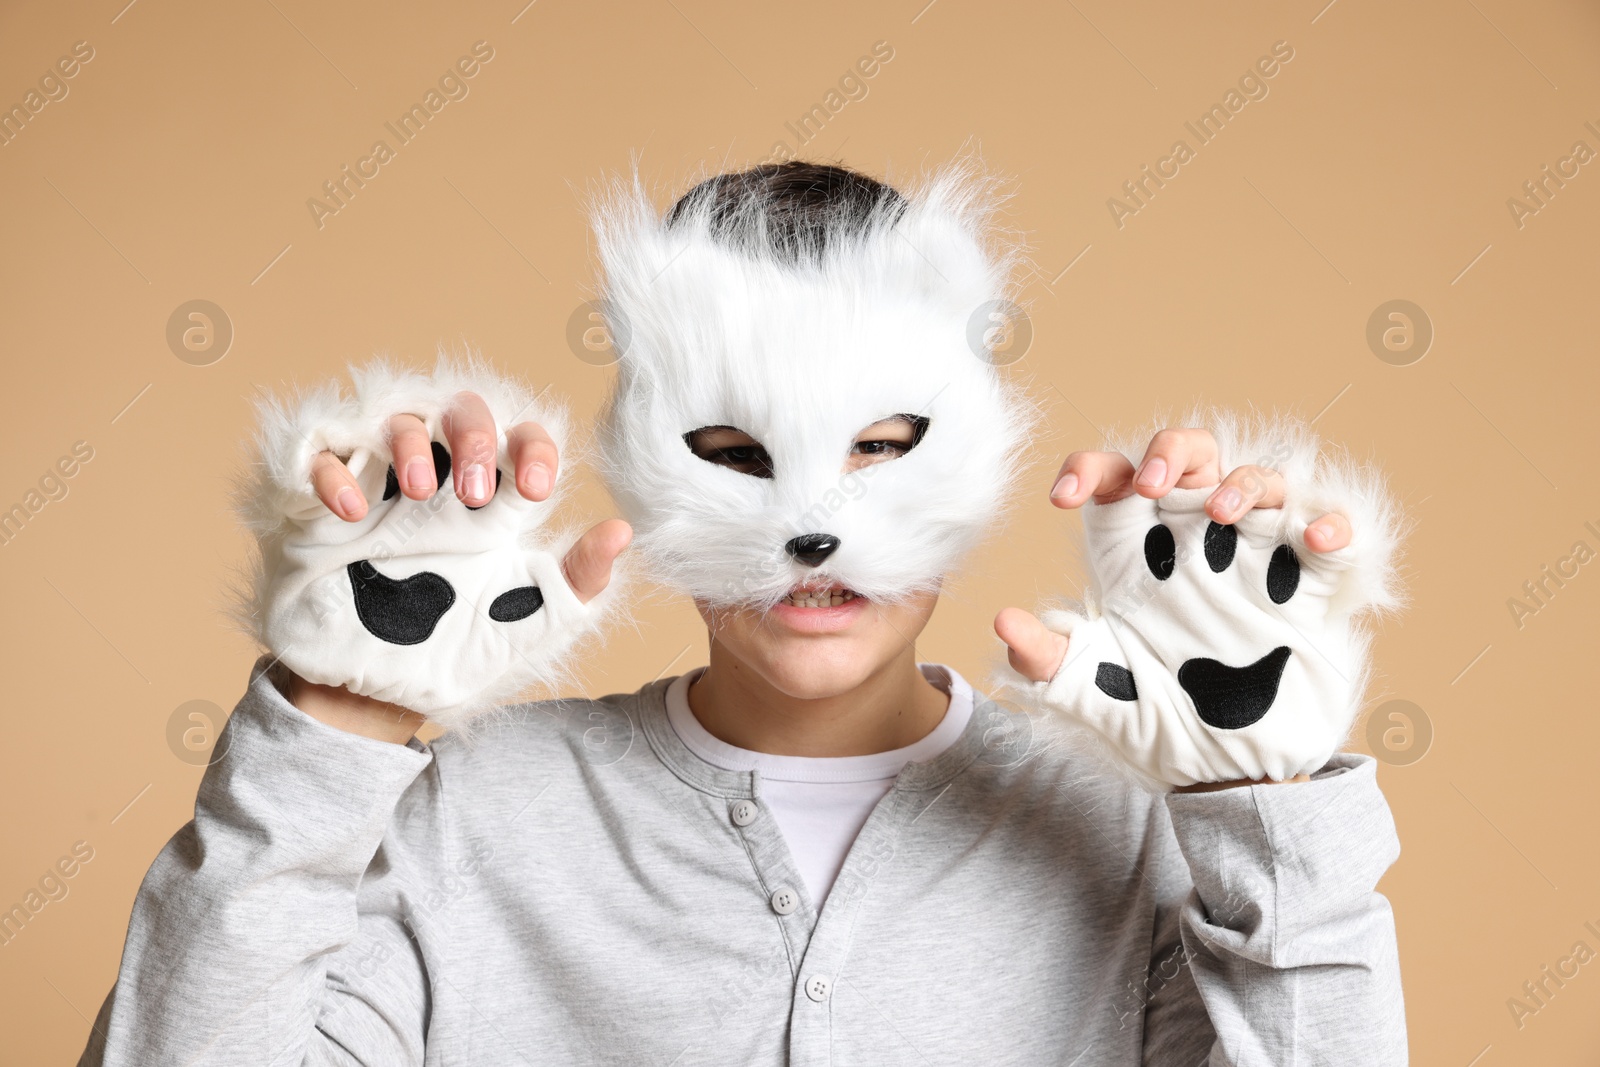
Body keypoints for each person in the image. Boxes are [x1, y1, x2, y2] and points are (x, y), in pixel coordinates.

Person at [80, 160, 1408, 1065]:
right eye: (733, 450)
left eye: (885, 447)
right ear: (641, 451)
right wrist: (337, 719)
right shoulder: (471, 817)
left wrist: (1264, 811)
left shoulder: (1120, 834)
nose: (813, 528)